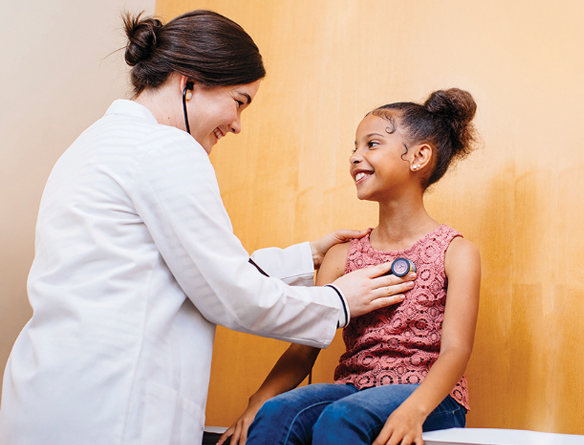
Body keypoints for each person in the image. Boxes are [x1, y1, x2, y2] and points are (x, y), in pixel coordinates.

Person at [0, 10, 415, 445]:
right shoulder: (167, 150)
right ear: (188, 83)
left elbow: (185, 268)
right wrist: (338, 301)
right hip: (114, 407)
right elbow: (228, 293)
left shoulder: (91, 145)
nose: (237, 124)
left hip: (47, 397)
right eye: (239, 101)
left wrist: (306, 256)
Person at [219, 88, 481, 445]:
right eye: (354, 148)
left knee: (343, 418)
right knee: (277, 414)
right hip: (353, 389)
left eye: (371, 144)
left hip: (432, 398)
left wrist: (413, 410)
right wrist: (258, 402)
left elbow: (456, 351)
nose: (356, 157)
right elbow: (303, 346)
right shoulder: (341, 256)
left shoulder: (456, 252)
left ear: (419, 157)